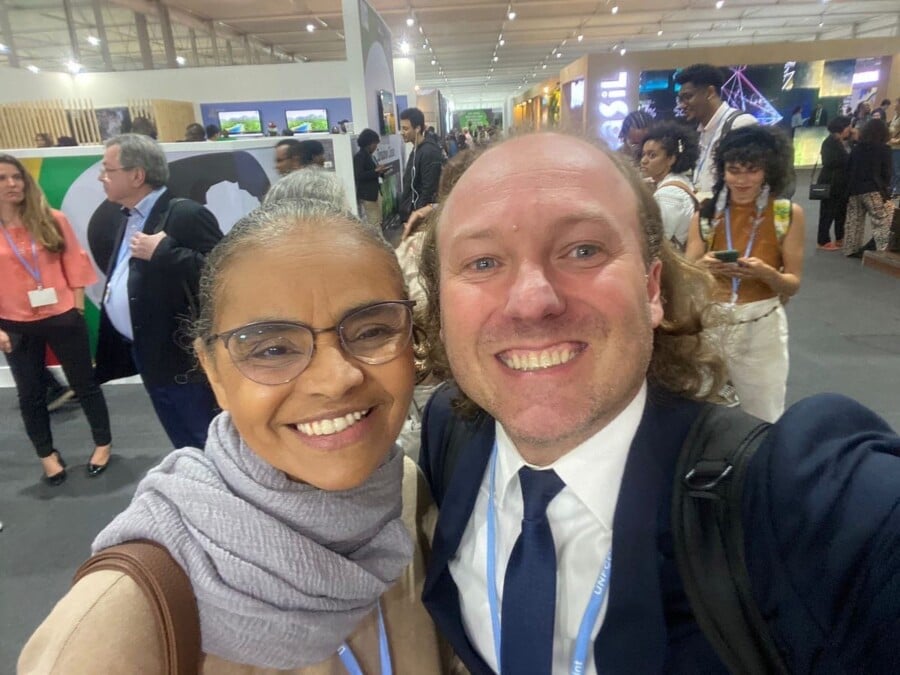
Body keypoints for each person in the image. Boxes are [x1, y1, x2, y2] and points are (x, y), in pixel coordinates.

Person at [415, 131, 899, 674]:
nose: (532, 301)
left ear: (651, 289)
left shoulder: (796, 504)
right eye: (482, 262)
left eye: (583, 250)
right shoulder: (453, 429)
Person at [19, 198, 447, 673]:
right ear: (214, 373)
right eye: (273, 348)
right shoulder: (110, 630)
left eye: (370, 331)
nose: (335, 378)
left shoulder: (406, 494)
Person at [95, 134, 223, 449]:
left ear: (137, 175)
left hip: (183, 359)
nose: (102, 177)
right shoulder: (125, 217)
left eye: (108, 170)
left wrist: (166, 252)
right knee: (181, 438)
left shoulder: (184, 213)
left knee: (204, 437)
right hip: (149, 354)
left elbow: (225, 273)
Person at [0, 155, 112, 484]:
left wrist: (76, 309)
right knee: (30, 393)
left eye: (16, 177)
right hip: (14, 323)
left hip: (63, 315)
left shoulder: (52, 219)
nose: (11, 184)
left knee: (85, 384)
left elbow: (74, 263)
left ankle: (103, 443)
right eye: (2, 178)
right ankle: (47, 454)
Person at [674, 63, 757, 201]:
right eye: (680, 99)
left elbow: (748, 183)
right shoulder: (701, 131)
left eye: (687, 97)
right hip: (709, 215)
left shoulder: (739, 124)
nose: (682, 105)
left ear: (710, 93)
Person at [639, 121, 700, 251]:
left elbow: (658, 241)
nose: (644, 160)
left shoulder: (668, 194)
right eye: (643, 154)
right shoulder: (682, 182)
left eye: (652, 155)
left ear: (671, 159)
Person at [843, 118, 895, 257]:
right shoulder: (884, 149)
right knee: (882, 221)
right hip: (873, 190)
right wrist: (885, 189)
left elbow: (848, 169)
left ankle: (850, 249)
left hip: (854, 189)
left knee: (854, 221)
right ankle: (882, 252)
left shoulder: (857, 148)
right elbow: (887, 173)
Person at [399, 107, 443, 237]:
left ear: (417, 128)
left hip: (420, 219)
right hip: (412, 215)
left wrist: (418, 216)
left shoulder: (429, 152)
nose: (402, 132)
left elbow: (428, 189)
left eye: (406, 129)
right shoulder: (417, 149)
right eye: (402, 128)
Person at [815, 115, 853, 250]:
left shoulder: (846, 142)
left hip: (842, 183)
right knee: (827, 212)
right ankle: (823, 240)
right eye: (848, 126)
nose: (850, 129)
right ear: (842, 127)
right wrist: (847, 159)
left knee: (841, 211)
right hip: (830, 182)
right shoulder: (830, 142)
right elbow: (829, 161)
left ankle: (840, 237)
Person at [353, 128, 388, 227]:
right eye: (375, 144)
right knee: (374, 222)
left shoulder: (370, 156)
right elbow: (359, 175)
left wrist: (380, 171)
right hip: (368, 195)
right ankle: (378, 241)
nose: (376, 147)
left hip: (375, 192)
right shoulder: (359, 157)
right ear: (368, 143)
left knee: (379, 220)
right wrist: (375, 171)